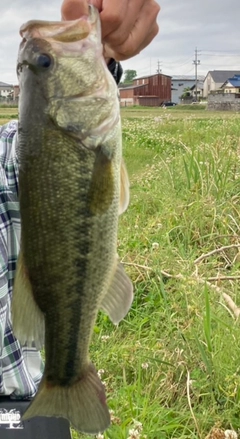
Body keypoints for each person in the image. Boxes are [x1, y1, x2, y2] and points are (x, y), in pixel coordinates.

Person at [0, 0, 160, 434]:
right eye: (46, 63)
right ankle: (65, 376)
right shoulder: (65, 134)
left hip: (25, 403)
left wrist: (100, 49)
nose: (37, 57)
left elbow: (24, 150)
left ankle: (64, 376)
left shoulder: (20, 151)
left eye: (37, 65)